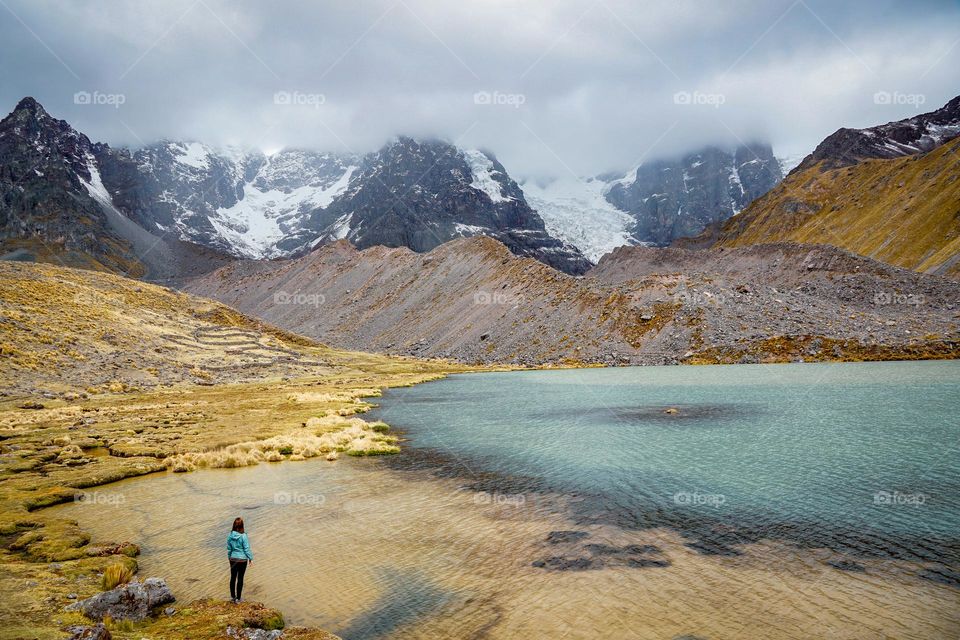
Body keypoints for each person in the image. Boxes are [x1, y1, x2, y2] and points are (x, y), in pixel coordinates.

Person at [226, 517, 253, 603]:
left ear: (234, 525)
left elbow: (229, 548)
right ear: (242, 526)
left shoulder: (230, 535)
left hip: (233, 559)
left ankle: (232, 597)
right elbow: (246, 548)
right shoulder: (243, 536)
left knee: (233, 577)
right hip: (242, 560)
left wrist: (229, 557)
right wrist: (250, 558)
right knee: (240, 578)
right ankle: (238, 599)